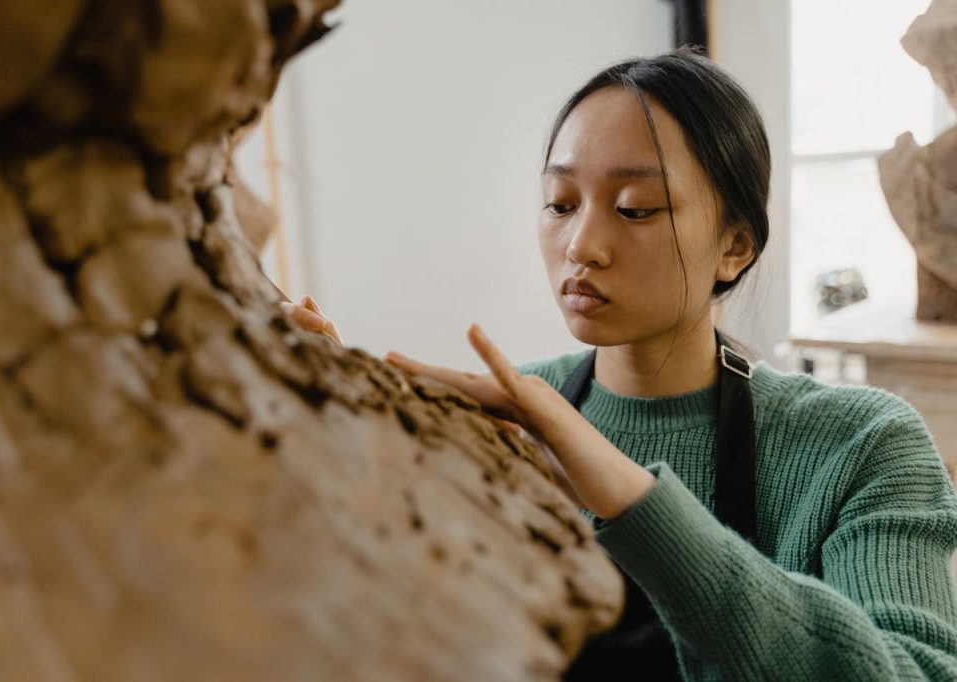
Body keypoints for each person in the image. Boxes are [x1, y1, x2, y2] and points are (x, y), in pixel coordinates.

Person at [279, 48, 957, 680]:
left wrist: (626, 495)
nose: (582, 245)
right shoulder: (504, 421)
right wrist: (345, 436)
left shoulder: (864, 444)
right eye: (560, 204)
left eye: (635, 209)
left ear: (736, 246)